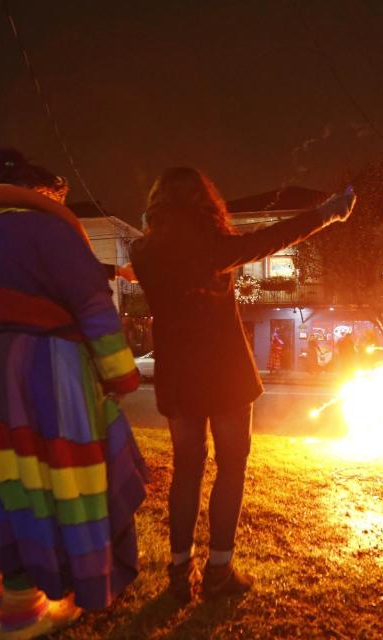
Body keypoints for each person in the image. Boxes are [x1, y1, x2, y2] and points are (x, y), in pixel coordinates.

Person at [0, 149, 146, 639]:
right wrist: (119, 374)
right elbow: (92, 303)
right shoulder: (48, 230)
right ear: (43, 195)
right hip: (36, 378)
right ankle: (24, 611)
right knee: (37, 488)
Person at [129, 167, 355, 601]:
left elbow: (146, 260)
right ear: (203, 202)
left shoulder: (144, 251)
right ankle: (218, 571)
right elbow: (272, 239)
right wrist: (328, 213)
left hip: (178, 376)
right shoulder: (213, 247)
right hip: (225, 372)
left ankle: (179, 575)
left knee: (187, 470)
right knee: (231, 467)